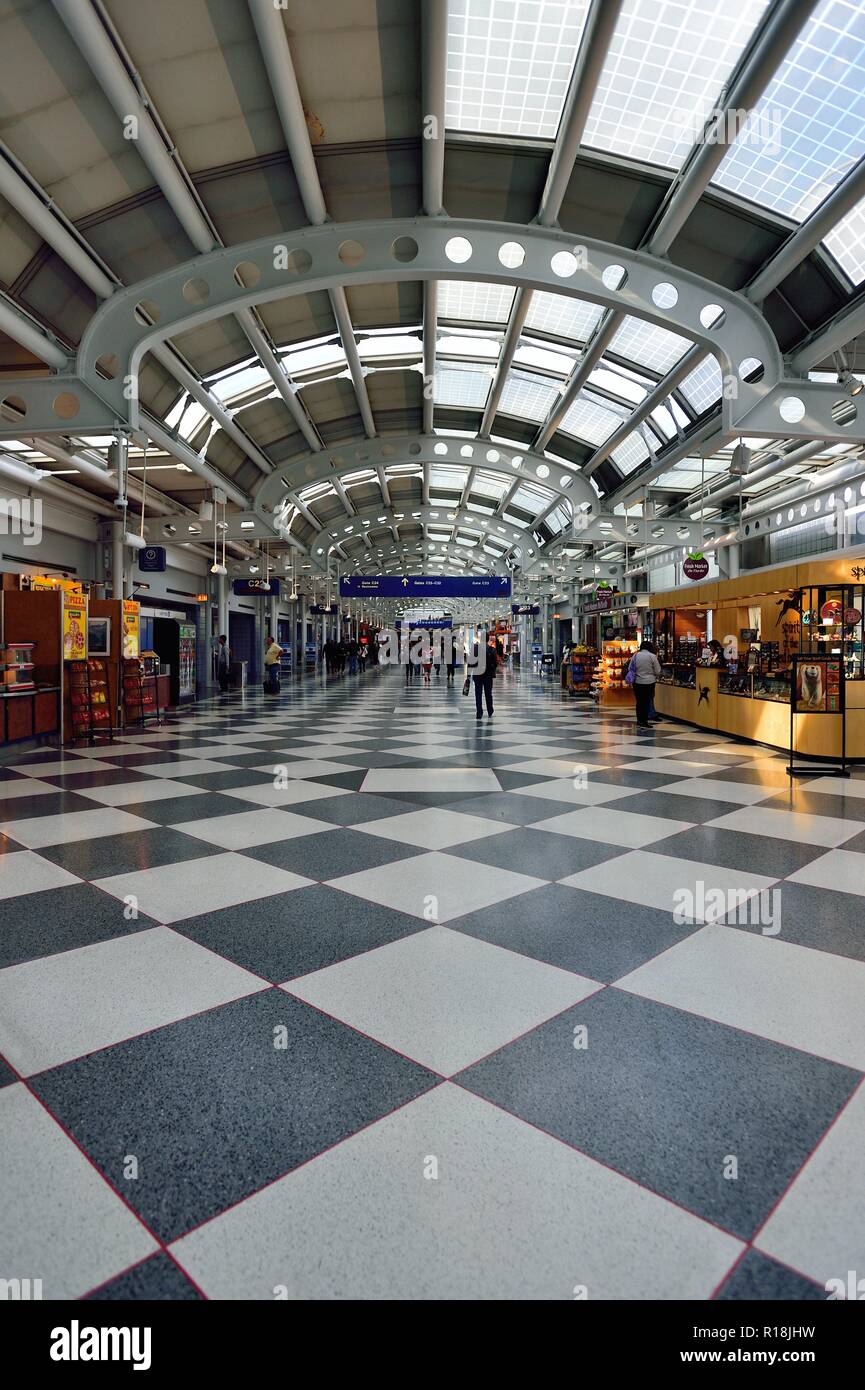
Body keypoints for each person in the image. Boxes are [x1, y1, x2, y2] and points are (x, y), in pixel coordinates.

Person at [631, 639, 662, 728]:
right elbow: (658, 671)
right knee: (647, 701)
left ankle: (639, 720)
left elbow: (630, 668)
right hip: (649, 682)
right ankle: (645, 721)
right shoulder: (652, 656)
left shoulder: (635, 655)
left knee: (639, 702)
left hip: (637, 682)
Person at [472, 632, 498, 719]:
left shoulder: (475, 649)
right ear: (488, 639)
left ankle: (479, 713)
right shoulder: (492, 650)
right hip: (488, 675)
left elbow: (471, 662)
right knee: (488, 693)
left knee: (478, 693)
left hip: (477, 674)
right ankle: (490, 711)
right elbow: (495, 663)